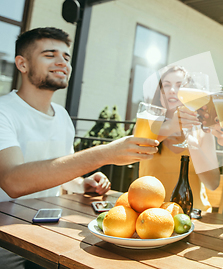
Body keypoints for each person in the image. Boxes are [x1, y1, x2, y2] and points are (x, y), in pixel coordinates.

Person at [0, 27, 158, 268]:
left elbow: (59, 175)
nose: (62, 62)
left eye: (66, 56)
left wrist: (82, 183)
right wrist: (106, 153)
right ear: (22, 64)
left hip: (48, 235)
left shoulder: (62, 116)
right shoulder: (4, 111)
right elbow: (13, 181)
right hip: (7, 244)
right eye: (50, 54)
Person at [139, 65, 220, 212]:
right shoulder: (147, 123)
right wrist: (171, 126)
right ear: (160, 93)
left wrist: (193, 145)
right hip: (152, 213)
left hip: (193, 215)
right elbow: (137, 145)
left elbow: (213, 183)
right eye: (167, 85)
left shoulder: (203, 130)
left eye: (179, 85)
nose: (172, 90)